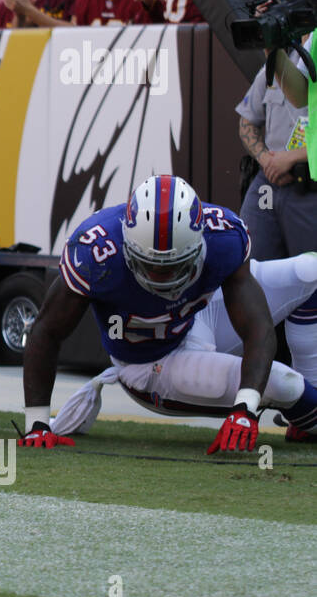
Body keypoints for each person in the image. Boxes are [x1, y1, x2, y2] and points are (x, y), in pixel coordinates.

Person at [21, 175, 317, 453]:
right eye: (150, 265)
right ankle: (306, 405)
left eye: (173, 265)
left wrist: (245, 405)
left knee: (310, 271)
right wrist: (36, 423)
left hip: (195, 318)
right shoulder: (96, 251)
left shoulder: (222, 236)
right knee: (282, 382)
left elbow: (258, 327)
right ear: (129, 247)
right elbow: (46, 331)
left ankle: (308, 407)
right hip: (152, 363)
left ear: (198, 243)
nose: (162, 277)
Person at [237, 39, 317, 261]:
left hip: (309, 185)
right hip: (268, 183)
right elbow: (247, 122)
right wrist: (266, 160)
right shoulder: (276, 66)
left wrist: (292, 158)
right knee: (249, 260)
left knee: (309, 275)